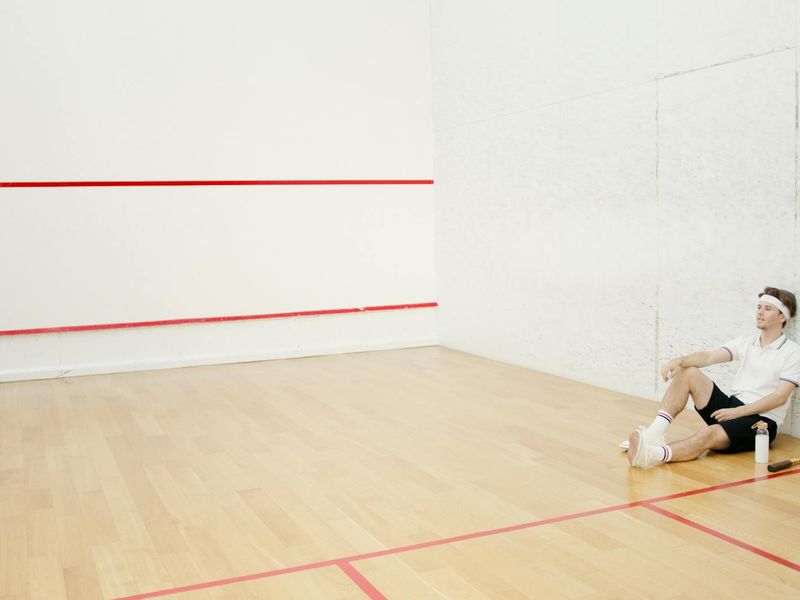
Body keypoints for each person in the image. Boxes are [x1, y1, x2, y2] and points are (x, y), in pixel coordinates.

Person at [626, 286, 800, 468]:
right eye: (758, 307)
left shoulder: (793, 353)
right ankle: (654, 434)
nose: (759, 312)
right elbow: (709, 357)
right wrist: (680, 360)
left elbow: (780, 397)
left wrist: (739, 412)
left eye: (767, 308)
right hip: (732, 407)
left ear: (782, 317)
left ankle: (651, 455)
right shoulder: (746, 342)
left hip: (761, 422)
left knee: (706, 434)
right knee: (688, 371)